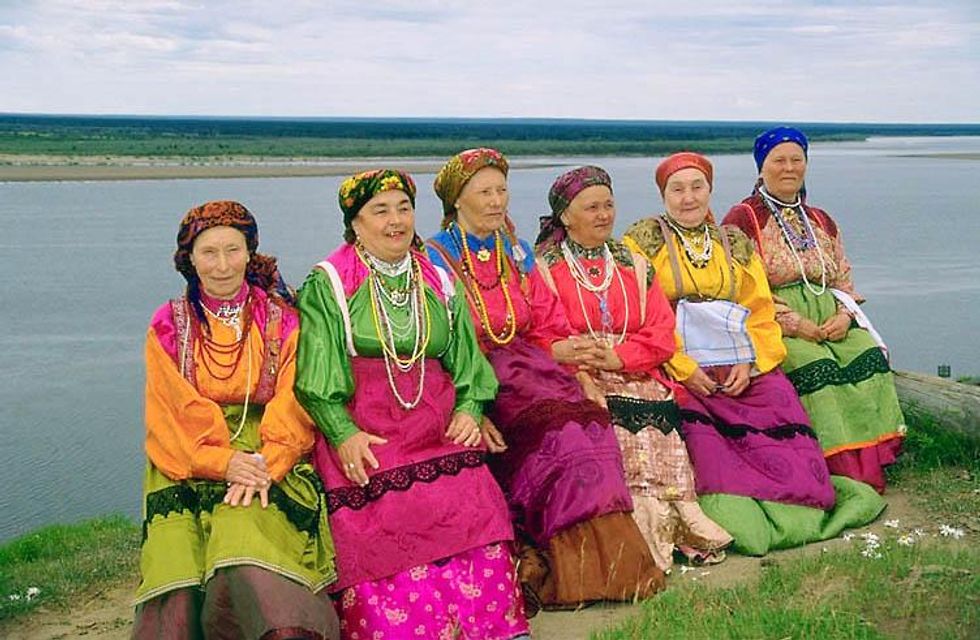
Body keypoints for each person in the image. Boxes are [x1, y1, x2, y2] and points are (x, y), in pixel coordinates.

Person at [294, 170, 530, 640]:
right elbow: (316, 374)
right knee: (386, 512)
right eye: (380, 211)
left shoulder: (437, 278)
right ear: (355, 224)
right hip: (366, 421)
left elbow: (466, 355)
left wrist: (471, 407)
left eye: (403, 208)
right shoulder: (332, 281)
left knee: (472, 495)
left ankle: (491, 626)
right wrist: (342, 433)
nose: (396, 221)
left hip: (437, 418)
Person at [427, 148, 664, 611]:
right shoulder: (436, 259)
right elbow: (438, 344)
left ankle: (612, 568)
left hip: (531, 364)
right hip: (474, 374)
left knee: (590, 420)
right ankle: (569, 569)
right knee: (559, 436)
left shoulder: (514, 251)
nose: (497, 201)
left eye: (502, 190)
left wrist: (572, 367)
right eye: (484, 192)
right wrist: (468, 405)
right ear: (457, 200)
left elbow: (546, 320)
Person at [623, 153, 885, 556]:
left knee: (781, 404)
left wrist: (750, 361)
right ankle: (740, 518)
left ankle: (802, 504)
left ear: (710, 191)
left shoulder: (734, 242)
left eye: (697, 187)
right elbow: (642, 314)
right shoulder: (643, 242)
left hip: (741, 361)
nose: (688, 198)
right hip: (679, 364)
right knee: (707, 441)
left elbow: (759, 310)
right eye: (677, 189)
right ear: (663, 195)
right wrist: (684, 368)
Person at [135, 200, 338, 639]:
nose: (223, 265)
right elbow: (170, 410)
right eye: (209, 252)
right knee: (176, 564)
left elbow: (294, 399)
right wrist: (221, 462)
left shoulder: (283, 319)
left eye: (233, 250)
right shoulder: (168, 324)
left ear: (251, 253)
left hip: (268, 450)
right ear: (189, 259)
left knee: (242, 539)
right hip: (187, 455)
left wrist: (266, 463)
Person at [534, 165, 733, 571]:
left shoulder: (633, 264)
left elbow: (662, 334)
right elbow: (541, 334)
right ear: (565, 215)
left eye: (608, 205)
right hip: (577, 374)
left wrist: (622, 357)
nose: (603, 215)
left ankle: (681, 517)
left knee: (656, 405)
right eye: (591, 207)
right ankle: (640, 538)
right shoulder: (545, 269)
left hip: (634, 367)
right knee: (617, 419)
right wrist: (583, 366)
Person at [723, 126, 905, 493]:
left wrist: (844, 316)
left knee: (867, 355)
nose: (788, 167)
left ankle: (872, 459)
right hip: (775, 324)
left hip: (830, 317)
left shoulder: (821, 220)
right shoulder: (743, 220)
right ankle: (836, 466)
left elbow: (843, 276)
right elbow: (741, 287)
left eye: (796, 159)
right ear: (761, 167)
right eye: (779, 160)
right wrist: (794, 323)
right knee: (815, 366)